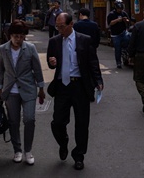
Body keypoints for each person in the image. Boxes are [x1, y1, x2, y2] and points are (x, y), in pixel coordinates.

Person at [47, 13, 104, 171]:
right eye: (57, 27)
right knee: (58, 122)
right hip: (62, 86)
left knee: (82, 123)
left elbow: (93, 61)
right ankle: (63, 142)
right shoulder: (54, 41)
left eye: (62, 27)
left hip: (80, 86)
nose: (59, 30)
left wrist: (98, 81)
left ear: (71, 24)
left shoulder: (84, 40)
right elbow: (51, 63)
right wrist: (52, 63)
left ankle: (79, 155)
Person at [0, 20, 45, 165]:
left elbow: (37, 69)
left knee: (29, 119)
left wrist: (41, 88)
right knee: (13, 121)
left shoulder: (30, 48)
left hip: (28, 89)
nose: (18, 39)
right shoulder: (3, 49)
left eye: (21, 36)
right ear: (10, 35)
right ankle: (17, 150)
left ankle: (28, 151)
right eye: (16, 36)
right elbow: (0, 70)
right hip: (10, 90)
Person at [106, 0, 130, 68]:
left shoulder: (124, 13)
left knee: (128, 39)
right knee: (117, 48)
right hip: (115, 34)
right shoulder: (111, 14)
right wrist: (117, 20)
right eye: (119, 8)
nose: (120, 10)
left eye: (121, 8)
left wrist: (126, 20)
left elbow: (129, 20)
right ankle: (118, 62)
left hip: (123, 32)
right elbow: (110, 23)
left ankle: (125, 53)